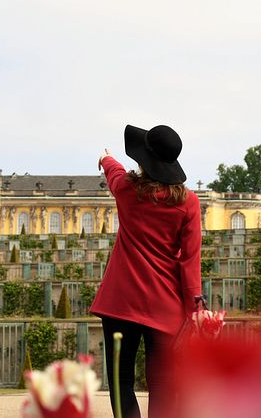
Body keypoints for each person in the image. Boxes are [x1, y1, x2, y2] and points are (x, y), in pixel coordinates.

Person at [90, 124, 202, 418]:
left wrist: (106, 159)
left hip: (120, 304)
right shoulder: (189, 202)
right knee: (164, 385)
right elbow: (190, 260)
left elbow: (114, 174)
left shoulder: (128, 191)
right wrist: (195, 307)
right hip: (165, 307)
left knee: (121, 381)